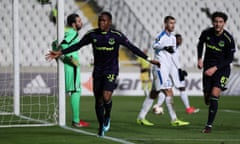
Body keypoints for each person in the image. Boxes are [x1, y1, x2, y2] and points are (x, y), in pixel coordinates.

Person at [46, 11, 160, 137]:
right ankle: (101, 126)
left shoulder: (116, 35)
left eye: (104, 20)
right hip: (98, 71)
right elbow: (78, 45)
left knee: (106, 97)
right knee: (98, 101)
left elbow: (132, 48)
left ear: (109, 22)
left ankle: (108, 116)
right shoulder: (92, 34)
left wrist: (149, 60)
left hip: (111, 70)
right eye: (100, 20)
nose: (101, 22)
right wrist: (61, 52)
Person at [136, 16, 190, 127]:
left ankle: (141, 117)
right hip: (159, 68)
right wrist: (165, 47)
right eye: (170, 23)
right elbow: (154, 45)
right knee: (169, 92)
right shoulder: (161, 35)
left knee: (153, 94)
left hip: (166, 69)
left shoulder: (174, 38)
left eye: (174, 23)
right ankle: (174, 119)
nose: (173, 25)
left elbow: (173, 55)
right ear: (165, 24)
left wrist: (179, 69)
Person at [197, 11, 235, 133]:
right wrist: (199, 58)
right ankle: (208, 96)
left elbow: (229, 59)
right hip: (207, 68)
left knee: (214, 95)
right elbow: (200, 44)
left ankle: (209, 126)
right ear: (212, 22)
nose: (218, 24)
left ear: (224, 23)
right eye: (216, 22)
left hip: (222, 70)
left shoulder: (228, 39)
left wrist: (215, 68)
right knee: (207, 98)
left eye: (220, 22)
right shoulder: (207, 33)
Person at [51, 13, 89, 127]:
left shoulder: (66, 32)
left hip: (67, 65)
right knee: (76, 91)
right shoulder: (73, 33)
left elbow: (54, 43)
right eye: (79, 21)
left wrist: (59, 58)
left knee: (72, 91)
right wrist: (70, 58)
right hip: (71, 66)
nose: (81, 22)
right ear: (73, 24)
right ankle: (76, 121)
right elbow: (63, 45)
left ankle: (71, 118)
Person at [156, 34, 200, 114]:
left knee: (166, 89)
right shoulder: (173, 48)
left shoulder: (174, 48)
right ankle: (188, 108)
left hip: (170, 70)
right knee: (181, 87)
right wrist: (179, 70)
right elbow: (172, 59)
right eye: (178, 39)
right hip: (172, 71)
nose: (180, 40)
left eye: (181, 39)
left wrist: (180, 69)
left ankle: (158, 106)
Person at [136, 49, 154, 126]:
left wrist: (150, 74)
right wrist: (145, 69)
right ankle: (148, 99)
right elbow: (140, 67)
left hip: (148, 74)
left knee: (150, 88)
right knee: (145, 88)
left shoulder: (149, 57)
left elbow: (150, 67)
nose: (145, 52)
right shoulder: (140, 58)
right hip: (143, 74)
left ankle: (148, 100)